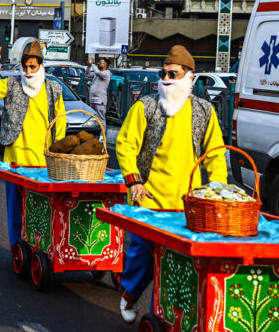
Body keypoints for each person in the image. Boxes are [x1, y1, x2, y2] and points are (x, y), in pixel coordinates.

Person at [116, 45, 227, 324]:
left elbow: (214, 154)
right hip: (148, 200)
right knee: (141, 255)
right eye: (163, 73)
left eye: (173, 74)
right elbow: (126, 145)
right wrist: (134, 182)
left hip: (186, 205)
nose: (166, 79)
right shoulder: (146, 106)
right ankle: (129, 294)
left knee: (182, 265)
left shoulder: (204, 111)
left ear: (190, 77)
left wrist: (217, 191)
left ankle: (175, 315)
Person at [0, 41, 66, 255]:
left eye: (32, 67)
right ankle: (18, 248)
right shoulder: (12, 84)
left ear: (41, 66)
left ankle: (41, 247)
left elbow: (60, 123)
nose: (28, 71)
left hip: (43, 163)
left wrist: (57, 153)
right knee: (16, 209)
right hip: (15, 160)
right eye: (25, 67)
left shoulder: (54, 89)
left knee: (42, 209)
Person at [87, 57, 111, 127]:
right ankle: (95, 135)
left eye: (100, 62)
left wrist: (92, 64)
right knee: (93, 118)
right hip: (92, 99)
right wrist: (89, 66)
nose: (98, 63)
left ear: (105, 64)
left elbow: (97, 72)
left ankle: (102, 136)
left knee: (101, 119)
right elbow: (87, 74)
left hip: (100, 100)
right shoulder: (97, 74)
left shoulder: (106, 73)